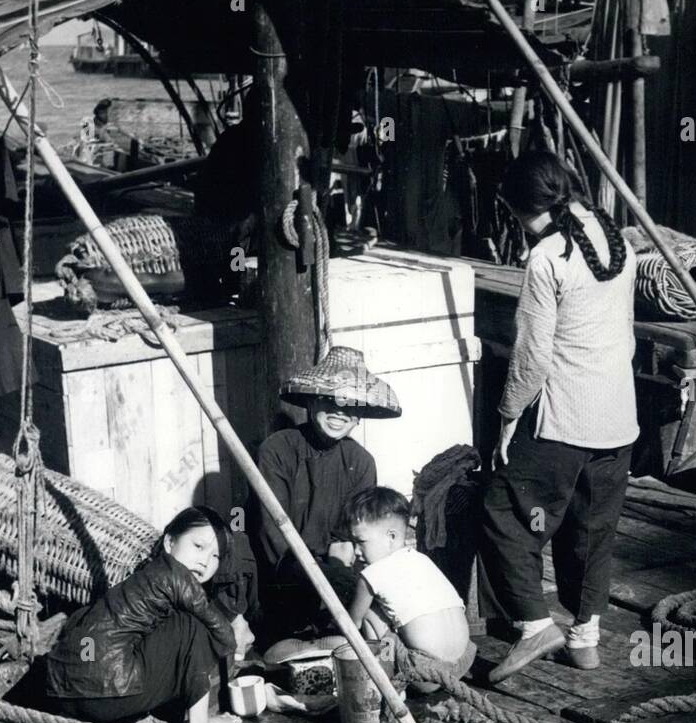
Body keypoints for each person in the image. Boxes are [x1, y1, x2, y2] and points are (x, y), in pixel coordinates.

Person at [479, 151, 638, 683]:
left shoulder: (547, 257)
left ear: (514, 207)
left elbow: (532, 358)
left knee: (504, 512)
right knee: (593, 530)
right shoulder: (616, 240)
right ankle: (585, 640)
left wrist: (506, 417)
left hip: (566, 418)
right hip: (618, 415)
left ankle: (533, 625)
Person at [46, 506, 244, 723]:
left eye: (215, 556)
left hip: (64, 691)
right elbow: (223, 634)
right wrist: (235, 645)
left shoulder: (145, 577)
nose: (204, 561)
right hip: (106, 692)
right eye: (198, 546)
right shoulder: (176, 576)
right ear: (169, 542)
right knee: (196, 625)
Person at [248, 345, 401, 649]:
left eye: (349, 405)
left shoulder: (361, 461)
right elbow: (273, 535)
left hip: (333, 571)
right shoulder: (277, 449)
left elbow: (348, 539)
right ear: (310, 401)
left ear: (360, 415)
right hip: (284, 571)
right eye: (329, 400)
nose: (338, 412)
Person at [345, 487, 475, 688]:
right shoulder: (421, 559)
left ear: (391, 537)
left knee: (370, 612)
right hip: (464, 661)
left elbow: (351, 625)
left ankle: (383, 673)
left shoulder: (371, 574)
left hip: (424, 674)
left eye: (361, 542)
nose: (356, 551)